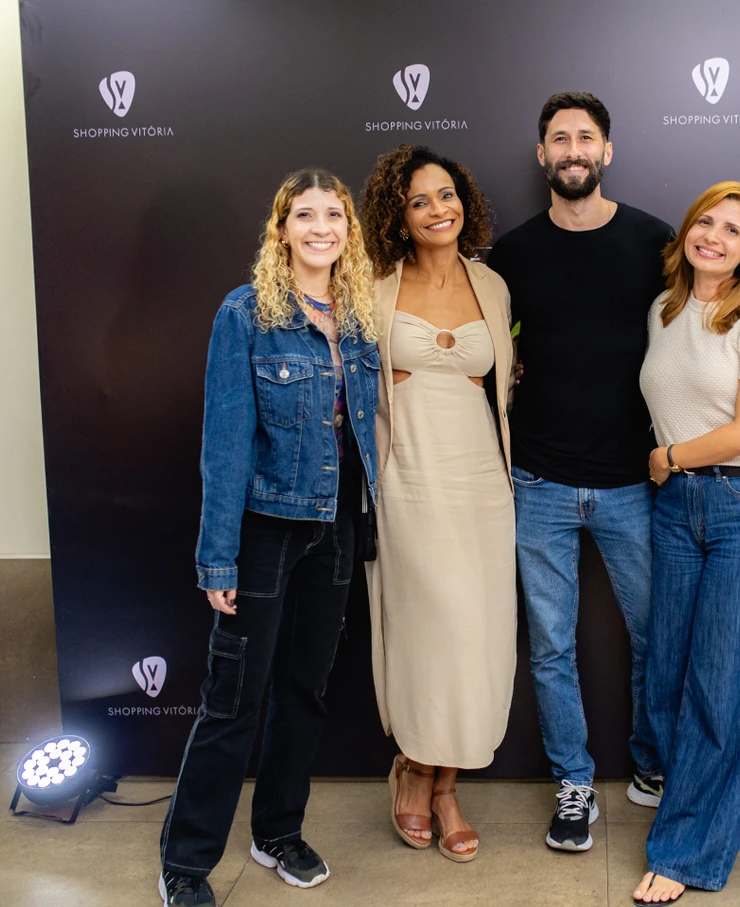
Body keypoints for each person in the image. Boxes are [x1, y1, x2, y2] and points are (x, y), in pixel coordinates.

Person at [159, 168, 379, 907]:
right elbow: (224, 444)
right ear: (281, 228)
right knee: (233, 700)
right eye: (306, 215)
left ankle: (277, 830)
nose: (322, 228)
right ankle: (186, 862)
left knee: (305, 691)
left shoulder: (357, 315)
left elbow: (363, 433)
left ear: (349, 230)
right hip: (262, 531)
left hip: (336, 527)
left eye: (334, 216)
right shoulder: (246, 313)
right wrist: (217, 553)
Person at [487, 92, 673, 851]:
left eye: (585, 137)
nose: (572, 150)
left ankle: (653, 765)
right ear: (542, 155)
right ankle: (573, 782)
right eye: (559, 138)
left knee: (657, 634)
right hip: (540, 481)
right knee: (552, 646)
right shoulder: (513, 255)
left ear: (606, 150)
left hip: (635, 480)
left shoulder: (655, 240)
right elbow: (491, 349)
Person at [358, 145, 515, 863]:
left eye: (445, 194)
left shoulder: (493, 286)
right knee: (432, 627)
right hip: (409, 477)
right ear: (399, 213)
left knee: (476, 631)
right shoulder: (375, 288)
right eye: (419, 200)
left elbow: (502, 384)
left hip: (483, 481)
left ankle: (444, 782)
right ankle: (417, 767)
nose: (437, 209)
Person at [632, 181, 740, 902]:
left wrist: (667, 458)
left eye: (733, 230)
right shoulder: (662, 312)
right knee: (666, 674)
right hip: (676, 511)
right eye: (706, 222)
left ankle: (686, 853)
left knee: (721, 684)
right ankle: (717, 814)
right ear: (688, 230)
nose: (715, 237)